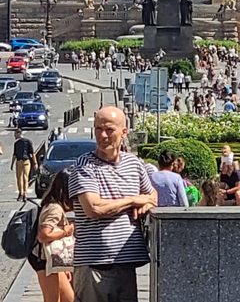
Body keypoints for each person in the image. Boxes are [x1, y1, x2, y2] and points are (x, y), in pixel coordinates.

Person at [66, 106, 155, 302]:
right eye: (98, 129)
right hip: (95, 264)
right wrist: (132, 200)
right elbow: (94, 208)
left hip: (126, 262)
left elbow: (152, 195)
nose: (102, 135)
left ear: (124, 132)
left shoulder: (134, 164)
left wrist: (145, 205)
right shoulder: (84, 165)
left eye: (109, 130)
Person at [31, 169, 77, 302]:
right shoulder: (54, 208)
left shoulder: (53, 205)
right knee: (53, 299)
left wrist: (63, 267)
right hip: (44, 259)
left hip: (50, 259)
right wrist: (66, 231)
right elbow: (44, 235)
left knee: (68, 298)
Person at [14, 131, 37, 202]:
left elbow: (32, 153)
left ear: (19, 134)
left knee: (22, 178)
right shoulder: (18, 143)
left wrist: (35, 163)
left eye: (15, 134)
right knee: (22, 178)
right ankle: (22, 193)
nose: (15, 136)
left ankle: (23, 193)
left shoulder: (24, 142)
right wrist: (35, 163)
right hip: (22, 161)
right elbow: (15, 154)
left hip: (23, 161)